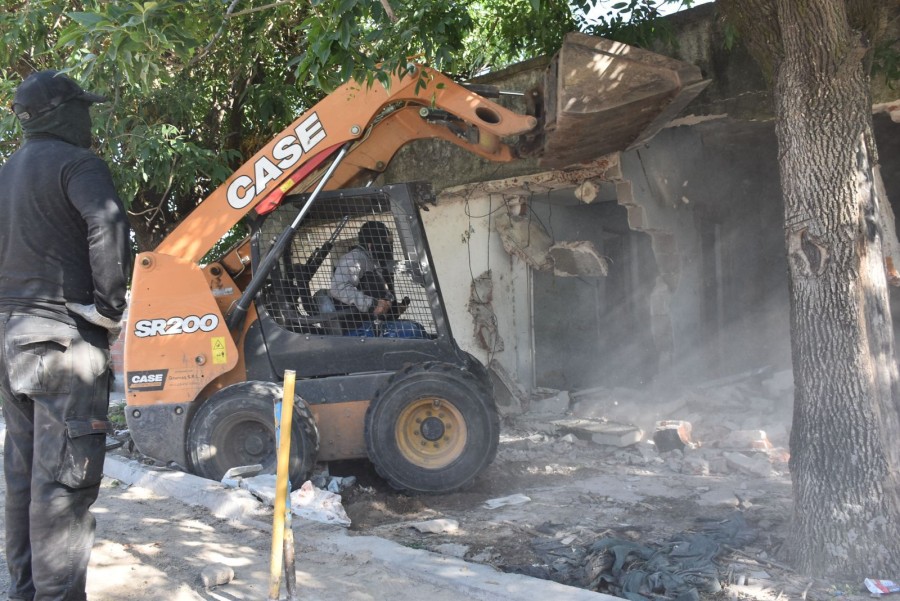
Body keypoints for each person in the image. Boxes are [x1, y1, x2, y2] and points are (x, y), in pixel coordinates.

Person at [0, 70, 131, 601]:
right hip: (61, 343)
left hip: (10, 341)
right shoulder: (80, 163)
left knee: (24, 476)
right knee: (63, 487)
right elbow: (108, 225)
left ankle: (23, 591)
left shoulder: (5, 173)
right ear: (61, 112)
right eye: (83, 107)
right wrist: (109, 308)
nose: (90, 118)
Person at [329, 221, 426, 338]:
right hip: (358, 328)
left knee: (418, 327)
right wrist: (372, 304)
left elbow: (376, 292)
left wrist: (392, 309)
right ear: (371, 244)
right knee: (412, 331)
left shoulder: (373, 262)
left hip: (374, 323)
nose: (387, 247)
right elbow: (338, 288)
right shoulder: (354, 259)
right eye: (385, 243)